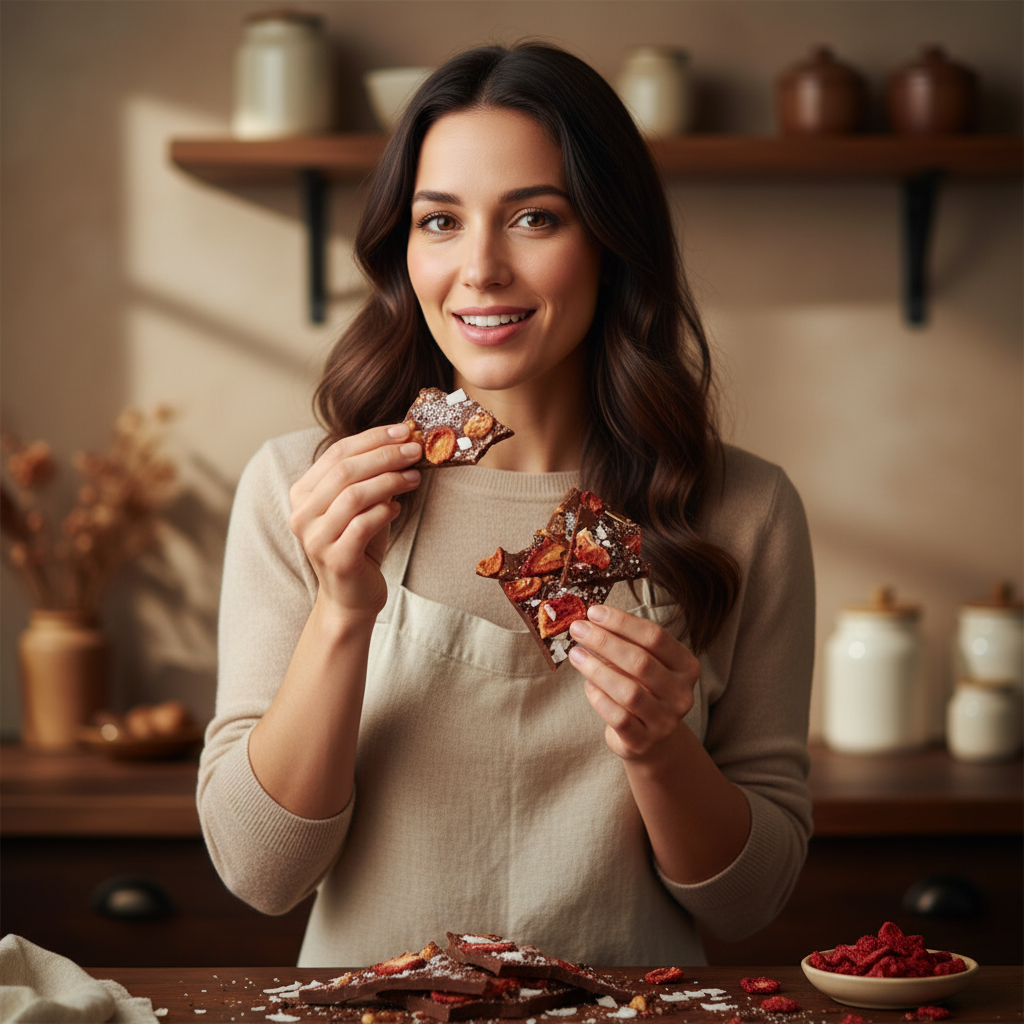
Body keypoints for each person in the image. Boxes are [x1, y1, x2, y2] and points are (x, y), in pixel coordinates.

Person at [197, 41, 815, 969]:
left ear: (612, 240)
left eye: (534, 217)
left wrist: (658, 748)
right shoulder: (306, 490)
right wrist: (341, 612)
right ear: (402, 251)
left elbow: (750, 903)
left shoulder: (743, 510)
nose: (480, 269)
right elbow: (259, 871)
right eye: (439, 222)